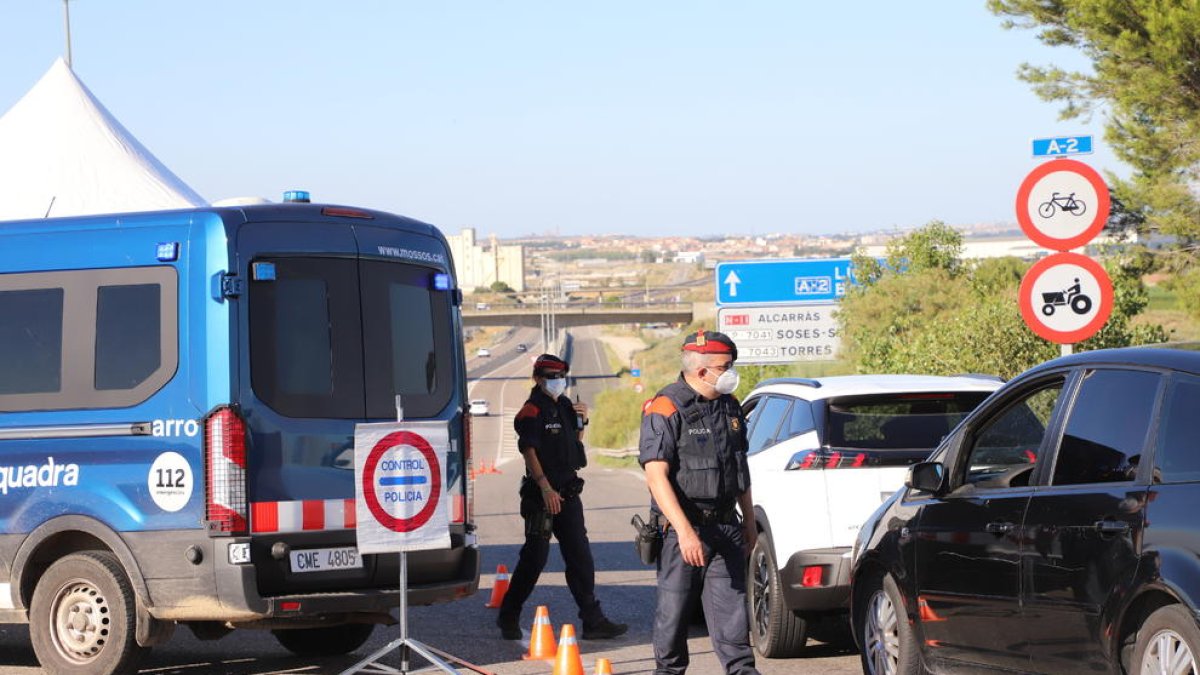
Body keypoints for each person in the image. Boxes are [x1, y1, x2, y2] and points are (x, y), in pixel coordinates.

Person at [638, 330, 760, 675]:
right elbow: (655, 476)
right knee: (673, 617)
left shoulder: (730, 405)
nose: (732, 372)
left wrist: (749, 522)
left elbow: (740, 467)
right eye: (726, 366)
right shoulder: (665, 406)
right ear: (702, 371)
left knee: (735, 620)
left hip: (726, 528)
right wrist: (685, 532)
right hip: (683, 533)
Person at [497, 353, 628, 641]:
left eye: (560, 376)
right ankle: (508, 615)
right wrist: (545, 488)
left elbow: (573, 449)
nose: (557, 382)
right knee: (535, 559)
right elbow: (529, 451)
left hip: (568, 493)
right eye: (551, 377)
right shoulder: (531, 411)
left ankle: (593, 621)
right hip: (541, 496)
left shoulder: (566, 406)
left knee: (581, 558)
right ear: (537, 379)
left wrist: (581, 422)